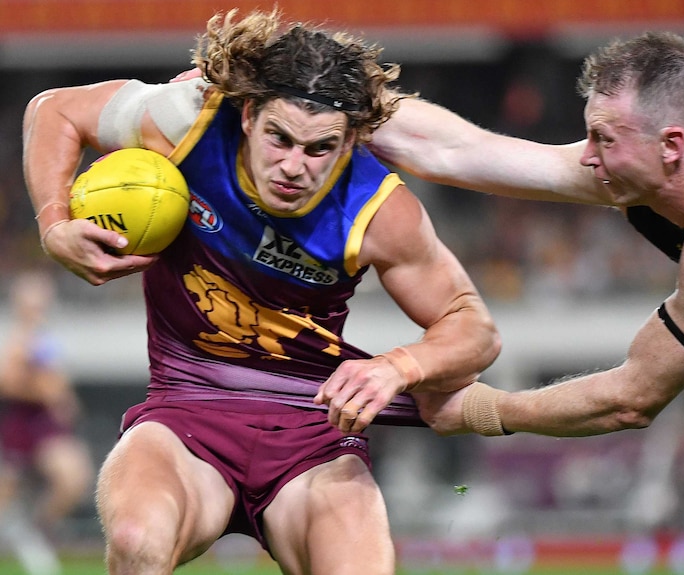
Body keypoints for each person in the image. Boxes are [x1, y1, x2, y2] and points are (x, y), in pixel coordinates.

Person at [23, 8, 499, 575]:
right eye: (280, 138)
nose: (293, 166)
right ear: (248, 115)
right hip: (187, 412)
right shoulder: (188, 125)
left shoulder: (379, 211)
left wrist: (401, 365)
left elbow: (474, 328)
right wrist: (54, 225)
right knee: (135, 539)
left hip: (314, 433)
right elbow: (52, 110)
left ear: (350, 142)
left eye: (318, 148)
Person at [364, 31, 684, 437]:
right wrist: (345, 100)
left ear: (671, 145)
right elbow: (459, 152)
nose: (585, 154)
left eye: (604, 138)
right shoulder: (653, 167)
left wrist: (483, 410)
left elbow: (633, 400)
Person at [0, 270, 94, 575]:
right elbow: (8, 382)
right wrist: (45, 393)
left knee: (73, 478)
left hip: (47, 424)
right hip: (24, 421)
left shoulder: (46, 338)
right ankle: (28, 534)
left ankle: (34, 531)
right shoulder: (18, 339)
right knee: (10, 493)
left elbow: (56, 380)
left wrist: (63, 399)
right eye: (34, 300)